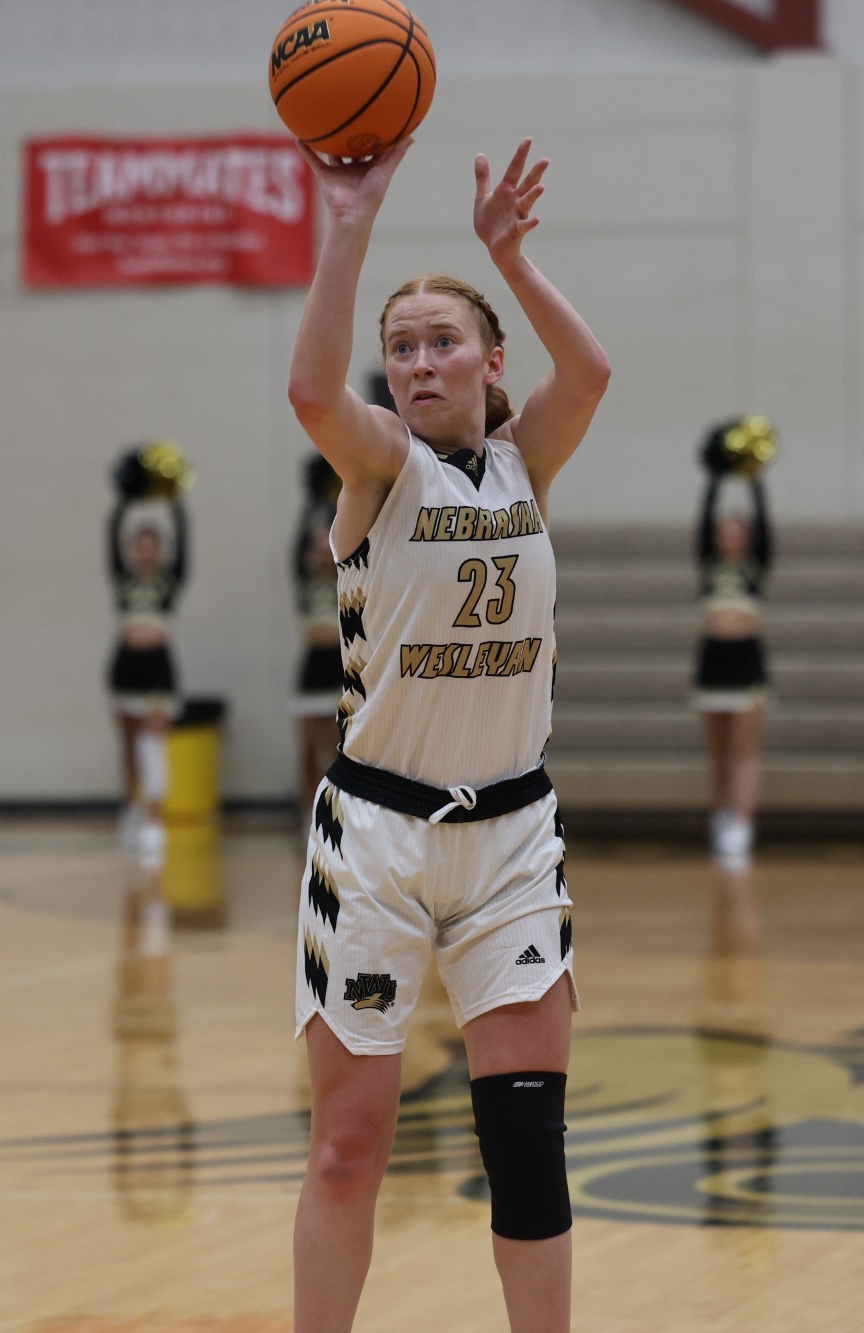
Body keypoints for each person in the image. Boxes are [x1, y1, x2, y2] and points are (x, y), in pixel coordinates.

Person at [285, 135, 610, 1333]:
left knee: (526, 1145)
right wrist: (349, 221)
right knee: (347, 1147)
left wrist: (509, 257)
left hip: (511, 837)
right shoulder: (379, 464)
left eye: (439, 342)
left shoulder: (527, 462)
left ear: (486, 361)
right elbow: (315, 394)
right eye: (400, 347)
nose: (417, 363)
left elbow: (593, 371)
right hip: (375, 833)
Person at [693, 419, 775, 868]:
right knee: (719, 749)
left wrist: (752, 478)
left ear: (745, 536)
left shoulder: (755, 566)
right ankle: (722, 813)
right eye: (723, 530)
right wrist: (715, 476)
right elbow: (703, 523)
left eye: (735, 529)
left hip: (745, 658)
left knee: (745, 749)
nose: (728, 535)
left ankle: (742, 822)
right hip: (712, 657)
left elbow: (765, 526)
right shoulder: (708, 563)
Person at [107, 441, 190, 859]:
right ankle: (131, 810)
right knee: (127, 745)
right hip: (125, 664)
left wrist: (172, 498)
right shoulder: (122, 577)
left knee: (151, 746)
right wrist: (126, 498)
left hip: (158, 664)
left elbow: (185, 541)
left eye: (151, 544)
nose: (145, 550)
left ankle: (155, 820)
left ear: (159, 549)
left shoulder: (170, 580)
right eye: (139, 544)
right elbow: (111, 533)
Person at [293, 455, 344, 802]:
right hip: (312, 662)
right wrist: (313, 501)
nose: (320, 553)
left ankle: (338, 813)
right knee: (309, 747)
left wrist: (333, 500)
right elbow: (295, 550)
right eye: (315, 548)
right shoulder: (303, 580)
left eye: (326, 546)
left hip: (341, 662)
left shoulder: (346, 575)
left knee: (340, 747)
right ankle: (306, 814)